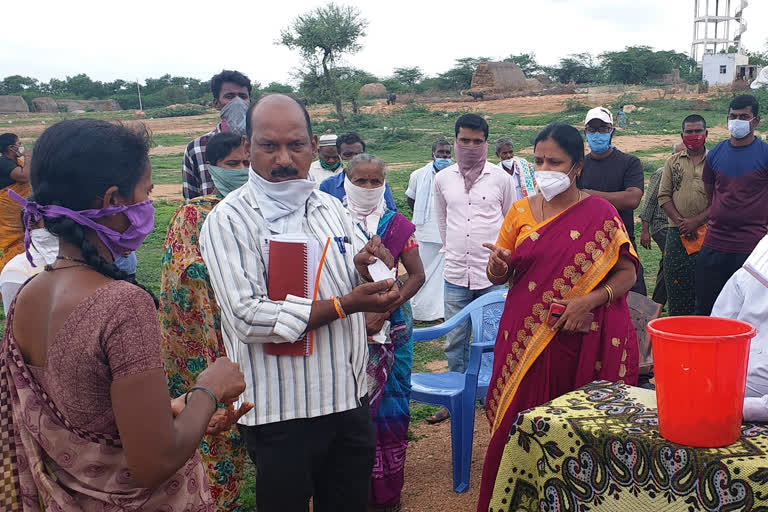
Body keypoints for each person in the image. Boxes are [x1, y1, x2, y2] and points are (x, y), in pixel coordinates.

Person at [0, 119, 248, 510]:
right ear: (114, 201)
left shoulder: (27, 294)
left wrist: (180, 408)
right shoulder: (122, 305)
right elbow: (153, 462)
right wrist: (209, 390)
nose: (149, 205)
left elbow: (89, 407)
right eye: (146, 192)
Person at [199, 94, 403, 512]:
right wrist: (345, 304)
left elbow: (352, 275)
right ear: (248, 147)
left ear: (312, 145)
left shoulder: (330, 208)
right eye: (268, 146)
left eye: (295, 145)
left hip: (347, 401)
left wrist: (367, 271)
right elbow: (246, 316)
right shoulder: (230, 219)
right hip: (279, 412)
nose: (283, 159)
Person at [477, 123, 640, 511]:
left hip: (580, 339)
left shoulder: (600, 212)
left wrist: (590, 300)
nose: (544, 168)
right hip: (523, 336)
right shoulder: (519, 211)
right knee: (518, 422)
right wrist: (497, 265)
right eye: (538, 160)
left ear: (576, 167)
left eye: (555, 161)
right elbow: (498, 274)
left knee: (573, 430)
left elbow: (627, 273)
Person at [160, 132, 253, 511]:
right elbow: (182, 277)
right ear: (213, 169)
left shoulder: (259, 210)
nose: (243, 171)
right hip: (207, 340)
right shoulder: (193, 214)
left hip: (255, 336)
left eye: (247, 163)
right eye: (233, 165)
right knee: (215, 429)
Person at [343, 153, 424, 511]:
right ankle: (349, 492)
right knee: (349, 412)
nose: (368, 187)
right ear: (347, 182)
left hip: (394, 331)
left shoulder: (396, 224)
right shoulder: (331, 221)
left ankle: (388, 496)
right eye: (360, 181)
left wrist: (385, 311)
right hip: (344, 328)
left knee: (391, 413)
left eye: (375, 181)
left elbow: (417, 275)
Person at [429, 114, 515, 424]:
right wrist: (453, 249)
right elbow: (442, 218)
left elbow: (511, 221)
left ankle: (491, 392)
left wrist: (504, 263)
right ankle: (455, 395)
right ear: (455, 141)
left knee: (491, 337)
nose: (470, 146)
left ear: (486, 144)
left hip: (491, 275)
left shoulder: (501, 179)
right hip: (455, 273)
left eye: (477, 141)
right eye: (464, 140)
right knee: (454, 338)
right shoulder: (443, 179)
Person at [695, 94, 768, 315]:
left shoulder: (765, 154)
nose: (737, 121)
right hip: (715, 242)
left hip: (751, 246)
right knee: (707, 307)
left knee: (746, 312)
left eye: (743, 116)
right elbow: (711, 192)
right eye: (733, 116)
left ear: (755, 121)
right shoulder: (716, 153)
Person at [578, 106, 647, 295]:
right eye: (592, 129)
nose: (597, 134)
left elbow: (632, 199)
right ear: (585, 133)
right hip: (588, 245)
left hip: (621, 242)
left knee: (633, 298)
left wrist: (588, 195)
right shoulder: (579, 166)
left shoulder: (629, 163)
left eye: (603, 128)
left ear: (612, 131)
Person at [711, 233, 768, 421]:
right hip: (720, 392)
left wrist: (742, 407)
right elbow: (717, 328)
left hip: (742, 403)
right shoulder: (753, 268)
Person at [658, 114, 710, 316]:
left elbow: (721, 199)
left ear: (706, 134)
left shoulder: (714, 161)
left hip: (708, 233)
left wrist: (696, 222)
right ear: (682, 135)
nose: (694, 135)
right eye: (689, 131)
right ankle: (677, 336)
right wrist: (682, 223)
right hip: (676, 233)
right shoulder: (672, 162)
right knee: (677, 288)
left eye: (698, 131)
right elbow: (663, 196)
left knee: (705, 288)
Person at [182, 70, 252, 200]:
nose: (237, 102)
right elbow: (191, 201)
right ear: (216, 104)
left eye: (242, 96)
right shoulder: (196, 148)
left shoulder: (264, 145)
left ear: (250, 101)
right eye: (230, 96)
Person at [405, 138, 451, 321]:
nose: (444, 156)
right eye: (441, 153)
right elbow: (411, 198)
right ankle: (419, 312)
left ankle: (439, 312)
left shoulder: (457, 174)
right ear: (432, 154)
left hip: (448, 232)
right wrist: (422, 215)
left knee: (442, 275)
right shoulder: (418, 175)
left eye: (447, 153)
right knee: (421, 271)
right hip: (425, 231)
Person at [319, 132, 398, 211]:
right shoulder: (328, 185)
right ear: (339, 156)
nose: (354, 159)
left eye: (359, 155)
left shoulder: (378, 183)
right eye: (348, 155)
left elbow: (391, 212)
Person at [0, 210, 58, 311]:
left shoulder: (78, 258)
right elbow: (16, 323)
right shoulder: (16, 270)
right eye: (54, 222)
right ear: (31, 225)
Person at [0, 133, 31, 273]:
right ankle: (10, 269)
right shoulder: (4, 162)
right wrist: (30, 158)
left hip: (19, 208)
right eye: (19, 144)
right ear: (11, 148)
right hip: (10, 209)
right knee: (14, 240)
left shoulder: (16, 162)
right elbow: (24, 177)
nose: (21, 146)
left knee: (24, 234)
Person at [638, 166, 669, 306]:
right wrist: (645, 230)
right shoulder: (661, 173)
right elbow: (649, 201)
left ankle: (657, 302)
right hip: (661, 225)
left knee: (668, 261)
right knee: (671, 259)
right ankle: (659, 301)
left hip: (676, 226)